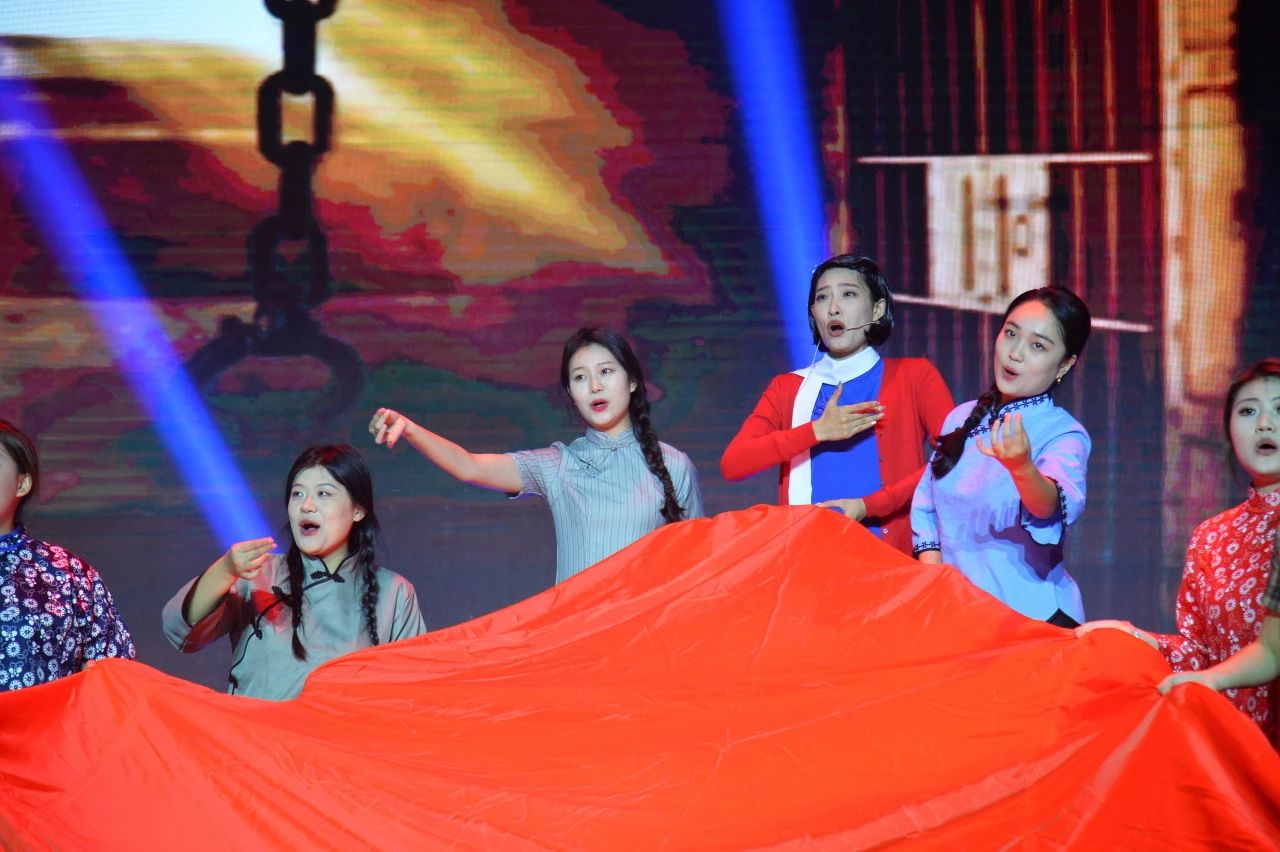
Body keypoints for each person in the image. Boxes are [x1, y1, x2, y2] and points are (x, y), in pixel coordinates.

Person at [370, 327, 703, 584]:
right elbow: (468, 466)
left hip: (645, 637)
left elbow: (698, 569)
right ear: (571, 393)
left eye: (606, 372)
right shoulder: (559, 465)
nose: (595, 387)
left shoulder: (674, 465)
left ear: (631, 381)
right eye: (580, 377)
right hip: (575, 637)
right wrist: (409, 429)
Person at [1077, 358, 1280, 744]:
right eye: (1248, 411)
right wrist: (1133, 635)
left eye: (1279, 409)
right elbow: (1200, 652)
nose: (1265, 424)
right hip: (1225, 742)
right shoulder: (1212, 535)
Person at [720, 255, 954, 554]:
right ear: (813, 312)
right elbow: (734, 464)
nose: (834, 308)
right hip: (807, 557)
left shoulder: (913, 375)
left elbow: (954, 458)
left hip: (891, 559)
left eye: (848, 294)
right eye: (822, 297)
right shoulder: (787, 388)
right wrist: (816, 431)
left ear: (877, 309)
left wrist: (868, 505)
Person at [163, 444, 426, 700]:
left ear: (357, 510)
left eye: (323, 494)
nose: (306, 505)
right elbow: (182, 632)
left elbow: (413, 691)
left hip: (343, 731)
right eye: (297, 494)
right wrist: (225, 570)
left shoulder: (394, 592)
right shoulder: (259, 574)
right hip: (258, 729)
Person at [911, 287, 1092, 625]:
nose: (1015, 353)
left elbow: (1051, 507)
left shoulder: (1064, 433)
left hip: (1031, 621)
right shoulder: (962, 417)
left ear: (1065, 364)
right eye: (1011, 334)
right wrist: (936, 584)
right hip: (956, 615)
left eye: (1037, 346)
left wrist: (1022, 468)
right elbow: (926, 507)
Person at [0, 418, 135, 690]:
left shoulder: (66, 572)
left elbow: (117, 674)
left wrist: (100, 679)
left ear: (22, 484)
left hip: (44, 718)